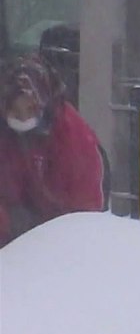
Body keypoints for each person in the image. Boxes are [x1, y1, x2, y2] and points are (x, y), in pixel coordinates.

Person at [0, 54, 104, 248]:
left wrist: (51, 237)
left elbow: (85, 211)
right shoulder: (5, 136)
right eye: (15, 111)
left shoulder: (73, 139)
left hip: (63, 235)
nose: (23, 119)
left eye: (30, 109)